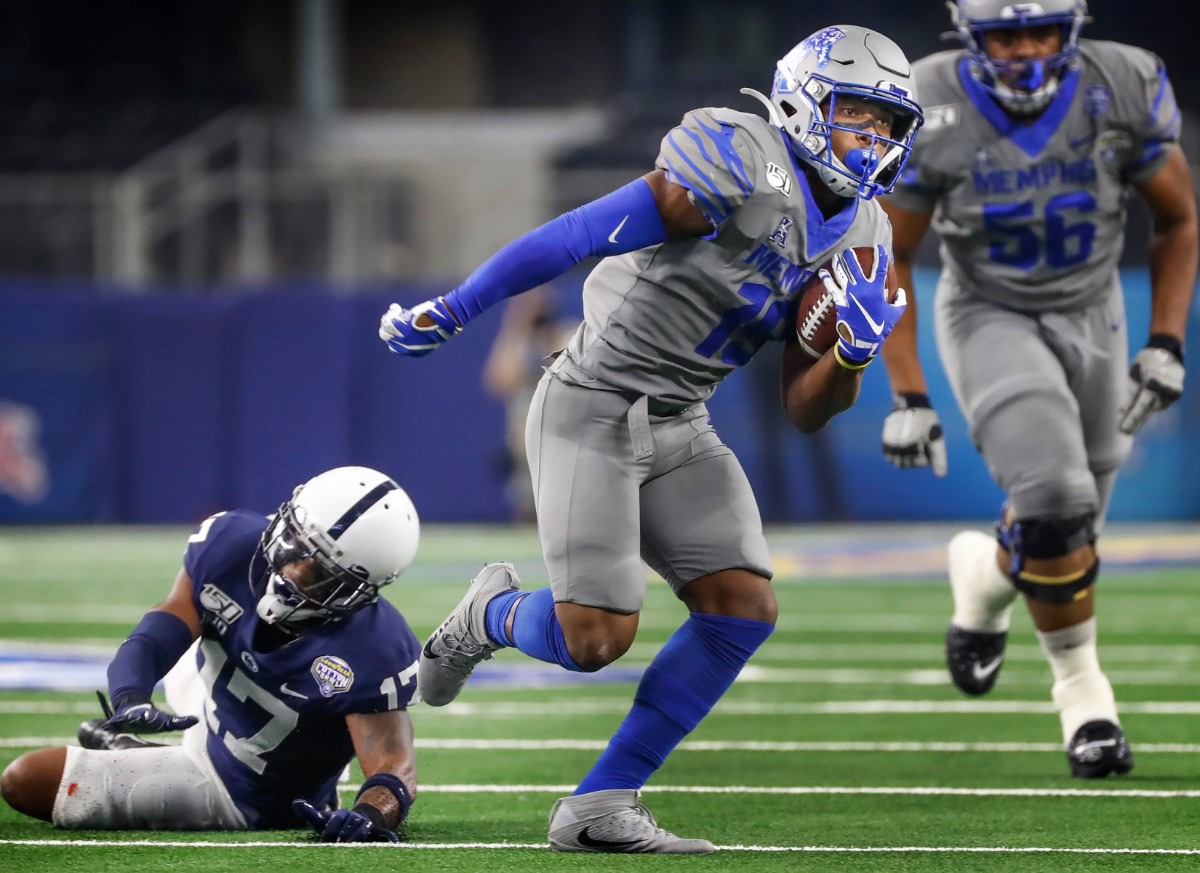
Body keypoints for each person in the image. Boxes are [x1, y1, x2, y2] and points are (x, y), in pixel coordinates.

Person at [379, 25, 922, 853]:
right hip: (592, 398)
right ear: (806, 102)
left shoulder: (867, 234)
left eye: (886, 122)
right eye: (856, 112)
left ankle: (600, 802)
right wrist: (457, 306)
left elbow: (805, 408)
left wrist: (850, 354)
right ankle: (486, 614)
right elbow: (579, 234)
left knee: (742, 605)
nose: (872, 137)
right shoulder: (740, 153)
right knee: (595, 638)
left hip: (682, 419)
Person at [877, 0, 1197, 778]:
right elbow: (889, 252)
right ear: (970, 38)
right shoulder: (932, 102)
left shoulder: (1120, 83)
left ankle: (983, 578)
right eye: (1005, 36)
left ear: (1073, 29)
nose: (1024, 52)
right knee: (1054, 499)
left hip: (1095, 310)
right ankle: (1084, 699)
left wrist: (1164, 340)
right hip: (989, 310)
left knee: (1074, 528)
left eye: (1041, 32)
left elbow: (1178, 220)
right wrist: (909, 393)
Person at [1, 466, 424, 841]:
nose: (292, 567)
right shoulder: (233, 545)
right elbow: (165, 624)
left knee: (25, 780)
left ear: (356, 592)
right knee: (198, 632)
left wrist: (371, 815)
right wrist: (131, 694)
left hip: (237, 785)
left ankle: (139, 754)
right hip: (209, 692)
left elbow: (393, 764)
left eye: (319, 572)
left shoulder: (373, 648)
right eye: (294, 541)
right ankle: (138, 743)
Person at [481, 284, 578, 523]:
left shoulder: (570, 334)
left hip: (568, 445)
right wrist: (517, 323)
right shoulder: (520, 343)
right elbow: (499, 380)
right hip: (527, 451)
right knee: (529, 517)